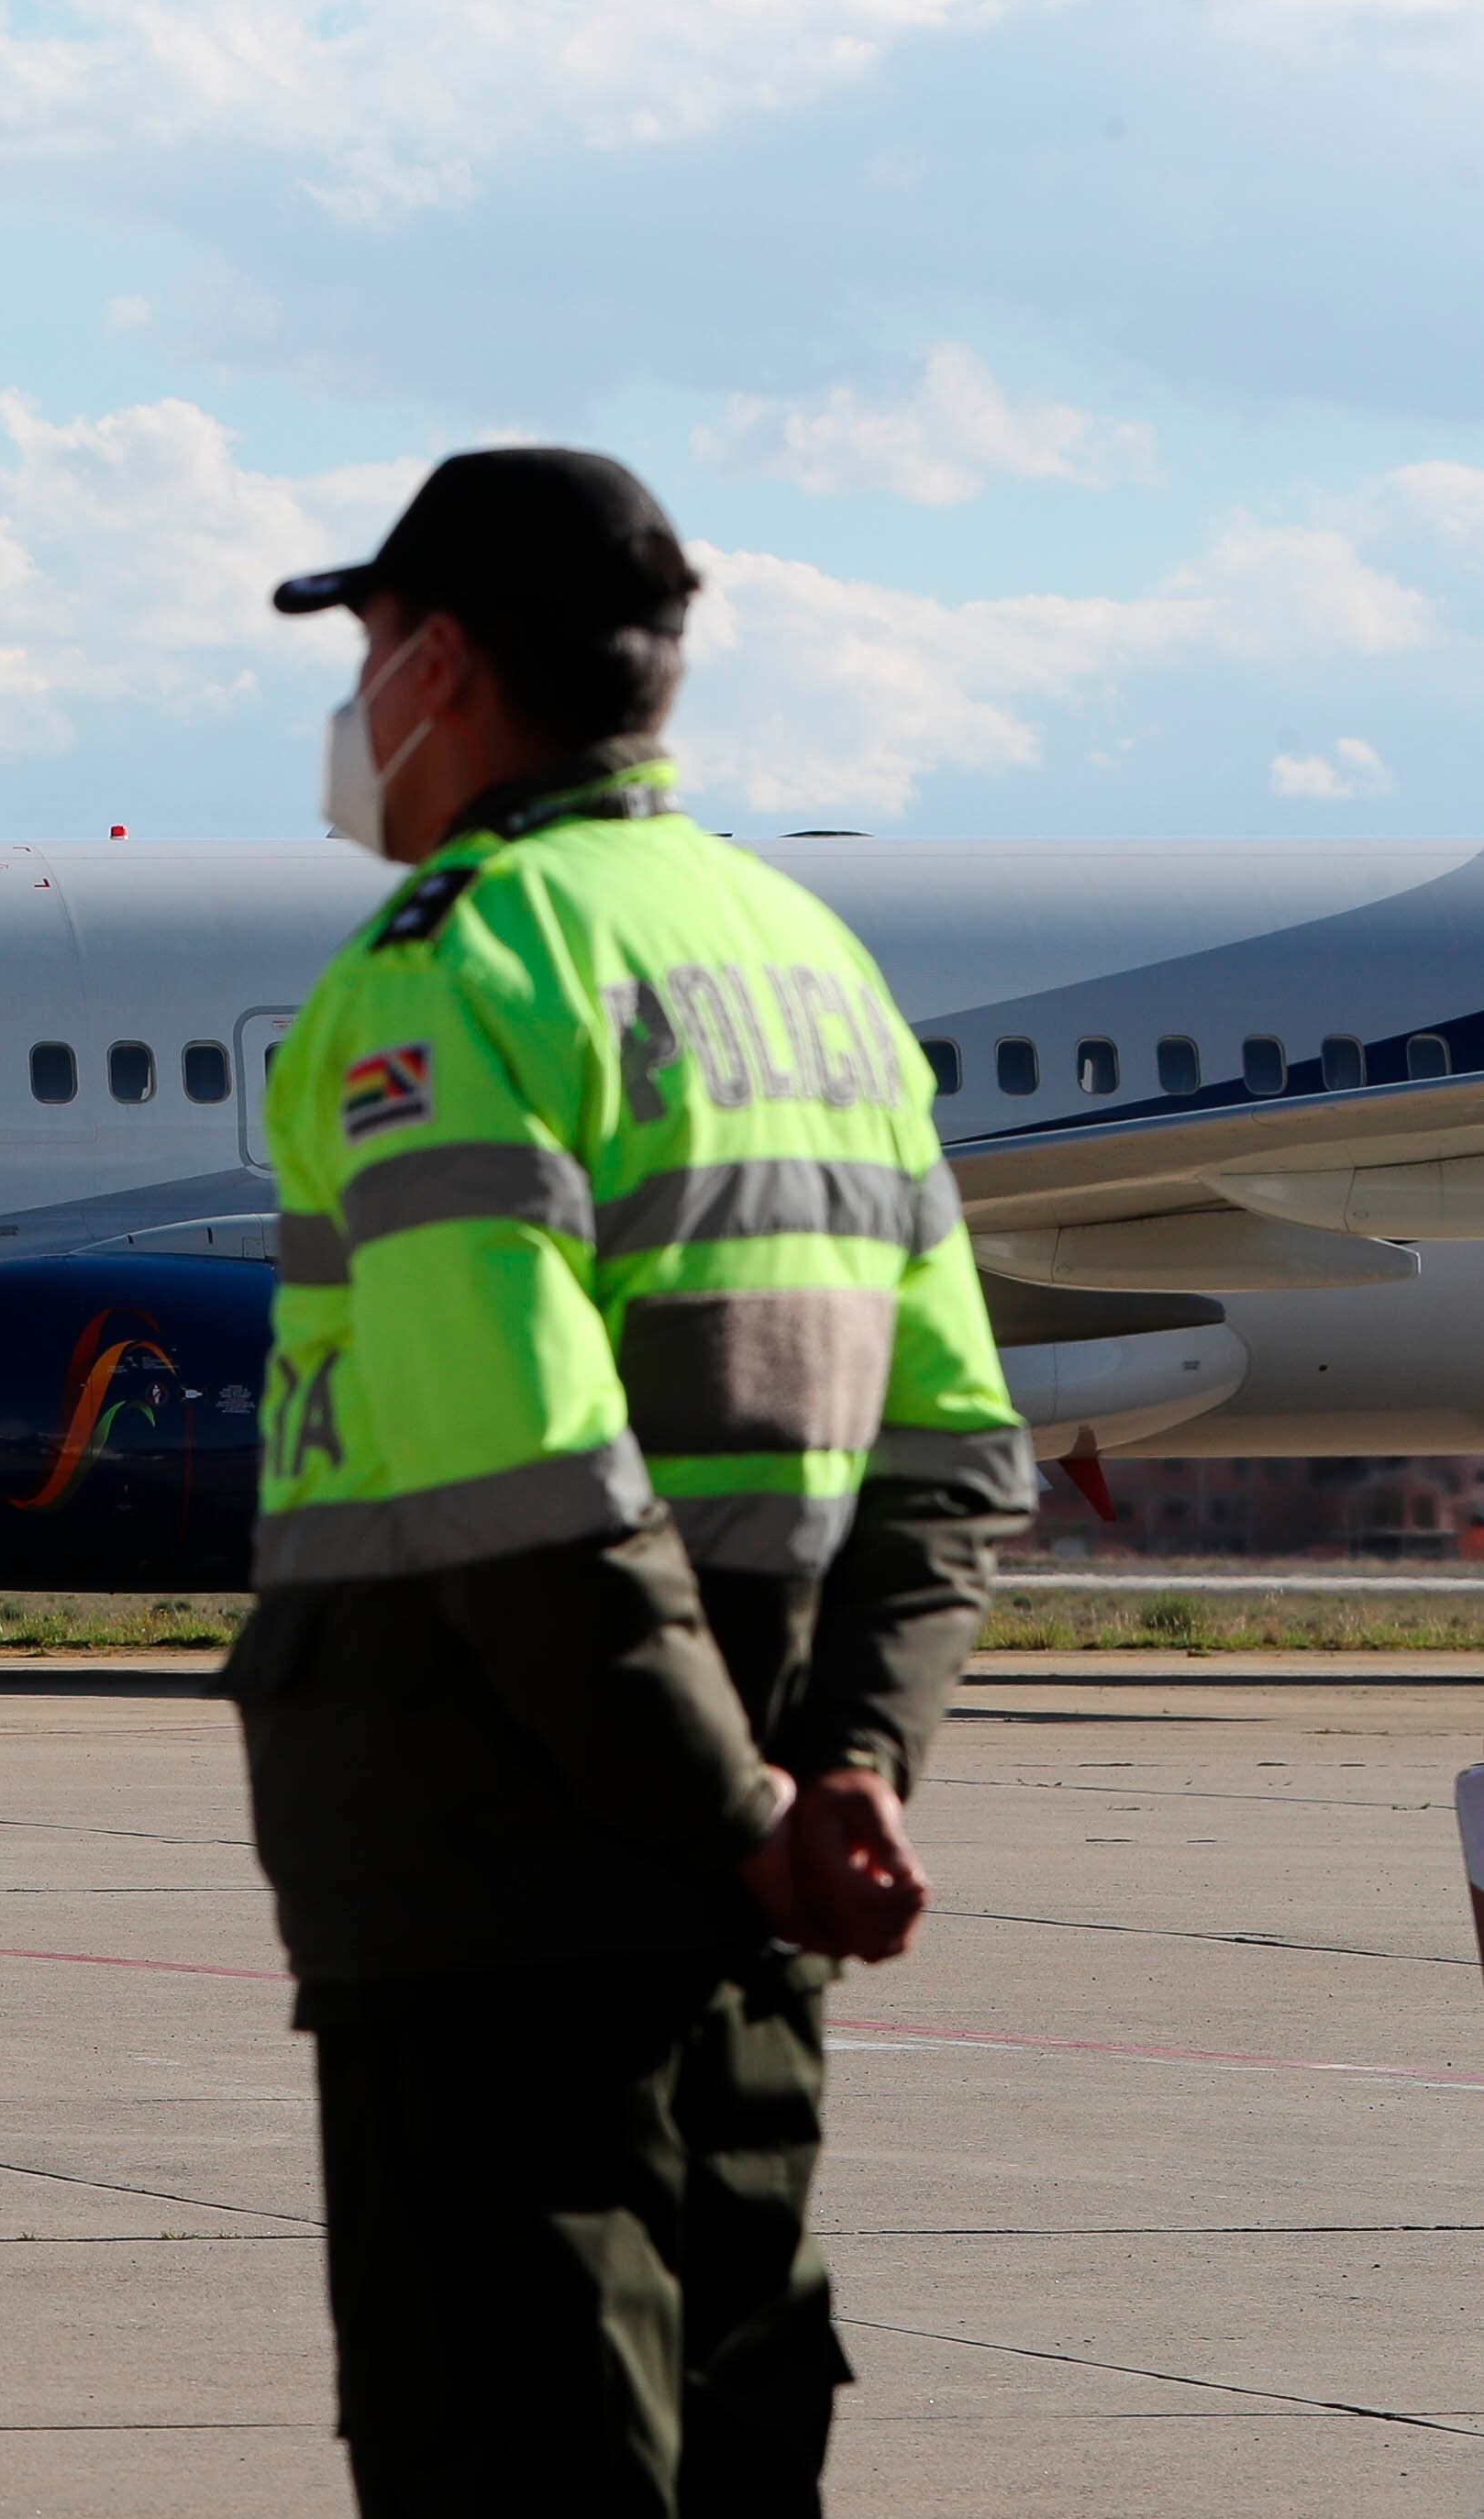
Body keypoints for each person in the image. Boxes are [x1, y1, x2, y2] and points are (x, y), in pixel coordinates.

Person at [223, 448, 1034, 2515]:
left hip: (492, 1876)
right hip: (758, 1888)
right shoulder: (804, 960)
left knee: (521, 2443)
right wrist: (843, 1768)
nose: (353, 710)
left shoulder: (455, 962)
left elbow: (514, 1471)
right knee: (736, 2429)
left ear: (440, 662)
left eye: (369, 649)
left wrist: (730, 1806)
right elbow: (950, 1442)